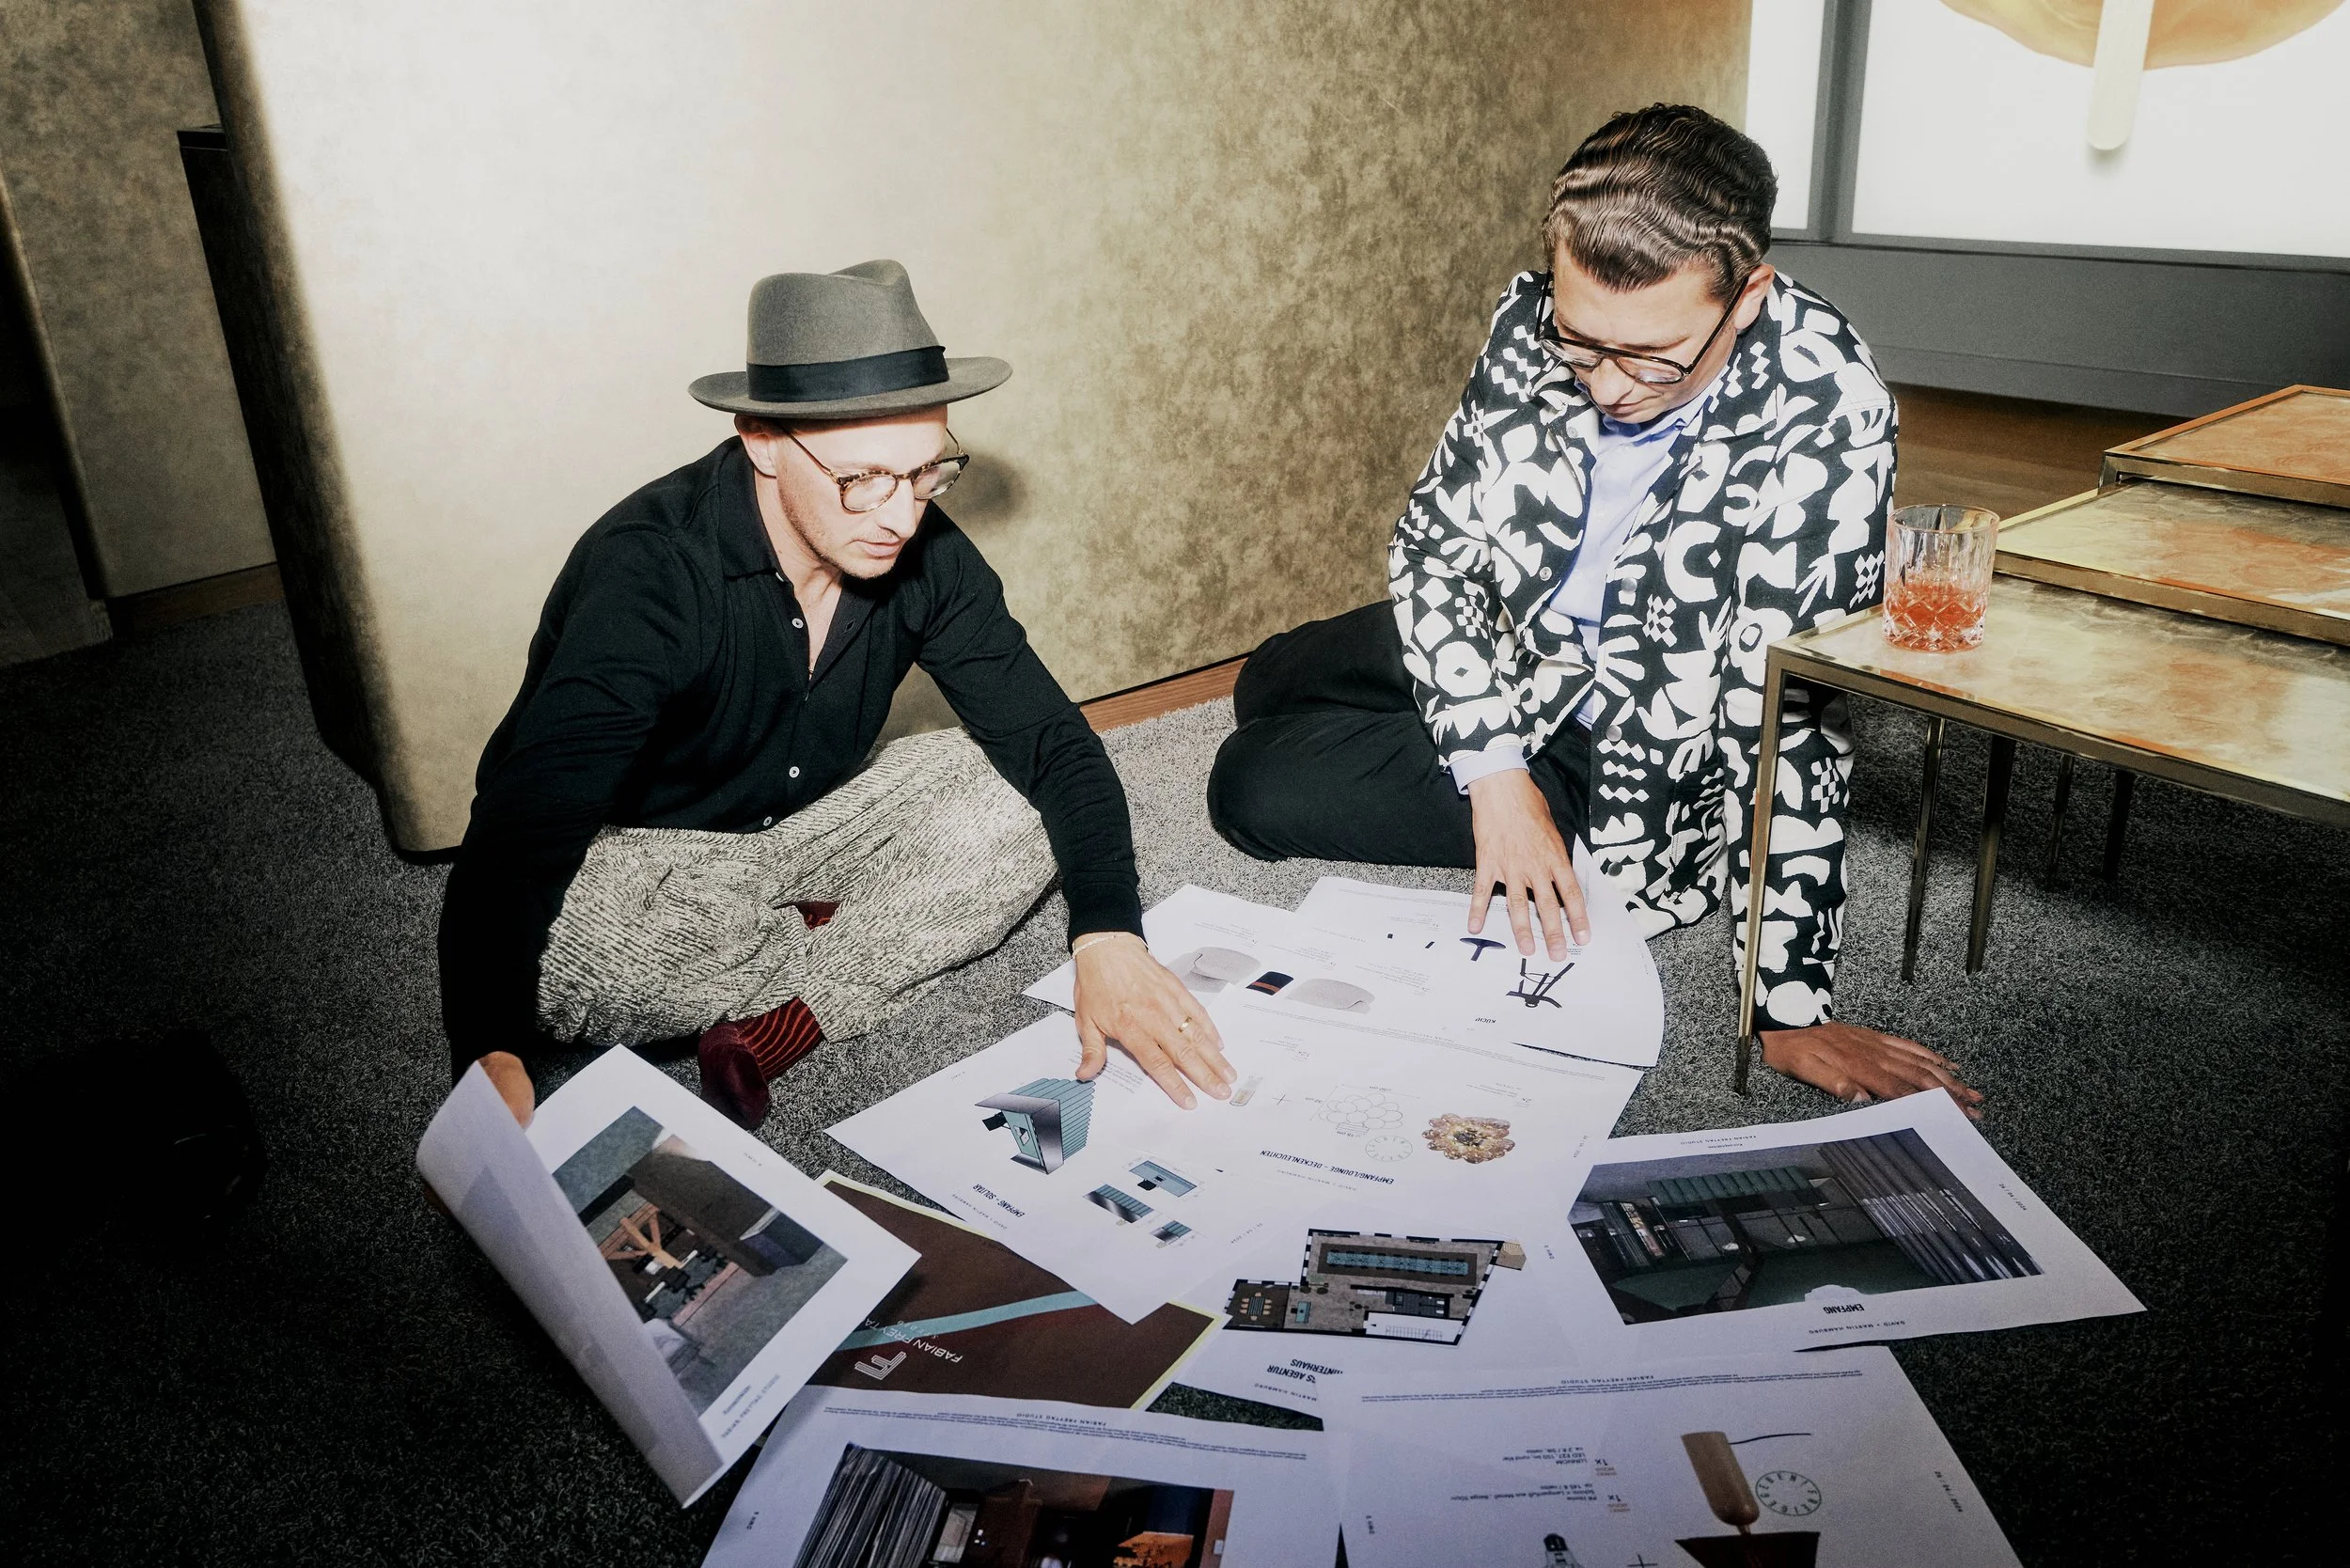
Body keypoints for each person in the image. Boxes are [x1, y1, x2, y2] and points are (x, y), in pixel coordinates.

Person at [1208, 106, 1981, 1115]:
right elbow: (1435, 544)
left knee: (1248, 785)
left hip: (1626, 737)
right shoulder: (1529, 317)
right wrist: (1491, 773)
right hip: (1510, 630)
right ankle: (1458, 735)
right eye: (1582, 346)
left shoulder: (1827, 412)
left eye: (1653, 357)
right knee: (1265, 677)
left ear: (1747, 297)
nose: (1610, 387)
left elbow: (1790, 713)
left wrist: (1786, 1008)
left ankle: (1471, 749)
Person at [439, 260, 1231, 1129]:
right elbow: (520, 834)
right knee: (573, 951)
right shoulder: (650, 573)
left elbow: (1053, 744)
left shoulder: (926, 551)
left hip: (814, 821)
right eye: (862, 479)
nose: (901, 515)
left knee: (1017, 802)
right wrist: (485, 1050)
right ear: (763, 441)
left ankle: (786, 1005)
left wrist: (1110, 935)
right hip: (638, 848)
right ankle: (844, 941)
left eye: (928, 472)